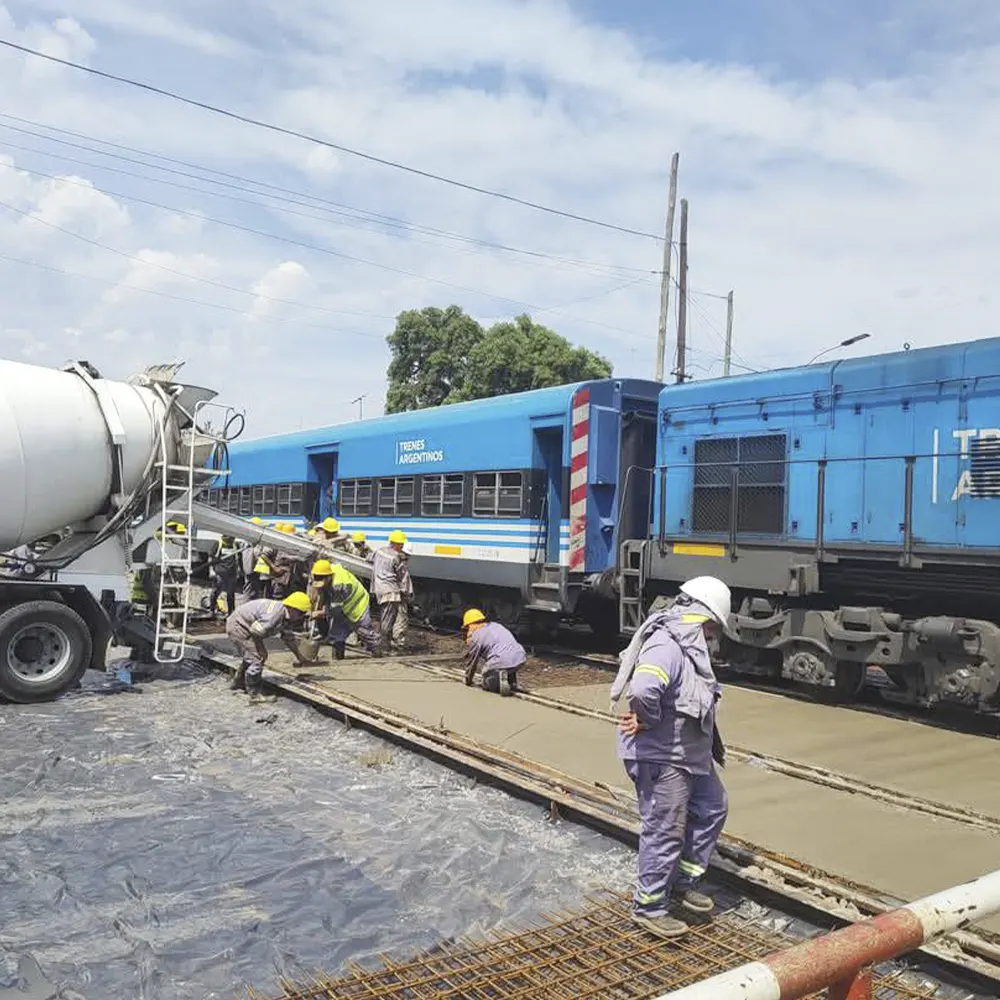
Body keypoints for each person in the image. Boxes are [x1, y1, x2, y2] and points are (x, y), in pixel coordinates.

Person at [611, 576, 731, 940]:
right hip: (663, 757)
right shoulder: (667, 643)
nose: (712, 632)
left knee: (713, 807)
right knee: (665, 829)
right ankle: (649, 907)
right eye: (712, 624)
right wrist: (647, 719)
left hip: (689, 754)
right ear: (701, 614)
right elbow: (645, 689)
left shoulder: (691, 646)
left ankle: (681, 881)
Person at [226, 592, 312, 703]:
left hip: (245, 626)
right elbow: (255, 631)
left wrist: (300, 657)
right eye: (301, 613)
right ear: (292, 608)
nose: (301, 616)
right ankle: (254, 694)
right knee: (258, 657)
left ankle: (238, 683)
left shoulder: (286, 615)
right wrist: (261, 649)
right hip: (239, 627)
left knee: (251, 656)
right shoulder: (275, 615)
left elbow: (288, 638)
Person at [308, 559, 379, 659]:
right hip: (342, 606)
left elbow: (334, 610)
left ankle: (379, 652)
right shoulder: (325, 571)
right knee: (337, 635)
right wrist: (314, 606)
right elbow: (320, 594)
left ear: (329, 577)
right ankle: (338, 658)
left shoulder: (339, 585)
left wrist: (317, 614)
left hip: (357, 605)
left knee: (364, 632)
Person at [461, 609, 525, 695]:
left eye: (467, 628)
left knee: (486, 677)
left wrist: (468, 679)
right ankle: (512, 682)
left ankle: (499, 683)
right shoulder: (496, 625)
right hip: (520, 657)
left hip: (500, 660)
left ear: (470, 625)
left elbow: (472, 661)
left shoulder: (475, 637)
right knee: (506, 659)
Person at [372, 530, 413, 653]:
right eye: (400, 544)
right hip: (391, 593)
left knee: (384, 618)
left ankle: (383, 646)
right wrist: (408, 595)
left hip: (379, 590)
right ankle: (383, 648)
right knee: (388, 621)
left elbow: (369, 558)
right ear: (396, 544)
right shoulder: (396, 557)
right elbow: (403, 578)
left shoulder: (379, 551)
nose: (401, 547)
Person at [208, 534, 241, 617]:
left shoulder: (235, 545)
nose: (231, 541)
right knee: (215, 592)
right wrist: (211, 571)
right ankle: (212, 610)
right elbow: (210, 558)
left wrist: (238, 571)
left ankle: (231, 613)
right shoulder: (218, 544)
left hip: (231, 574)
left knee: (230, 594)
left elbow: (237, 559)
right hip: (219, 573)